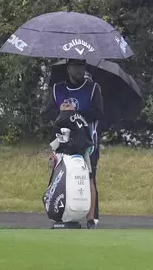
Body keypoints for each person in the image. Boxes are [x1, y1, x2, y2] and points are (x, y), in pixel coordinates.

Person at [42, 59, 104, 229]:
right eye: (76, 67)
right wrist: (62, 111)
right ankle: (59, 212)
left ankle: (91, 218)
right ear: (68, 68)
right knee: (58, 173)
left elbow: (98, 113)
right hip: (62, 139)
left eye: (82, 66)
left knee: (89, 176)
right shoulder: (57, 89)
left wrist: (75, 112)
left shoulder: (93, 89)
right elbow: (47, 112)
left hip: (86, 139)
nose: (80, 70)